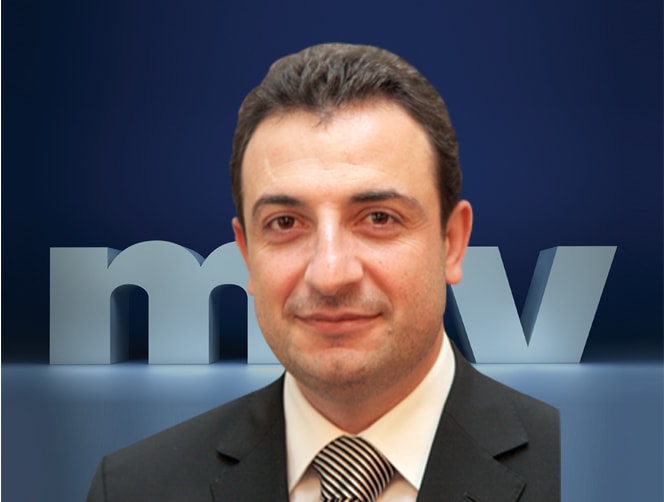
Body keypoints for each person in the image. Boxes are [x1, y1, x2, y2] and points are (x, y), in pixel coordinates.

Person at [87, 43, 559, 501]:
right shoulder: (132, 489)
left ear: (452, 242)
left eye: (378, 218)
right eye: (285, 224)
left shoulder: (571, 468)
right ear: (247, 255)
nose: (330, 274)